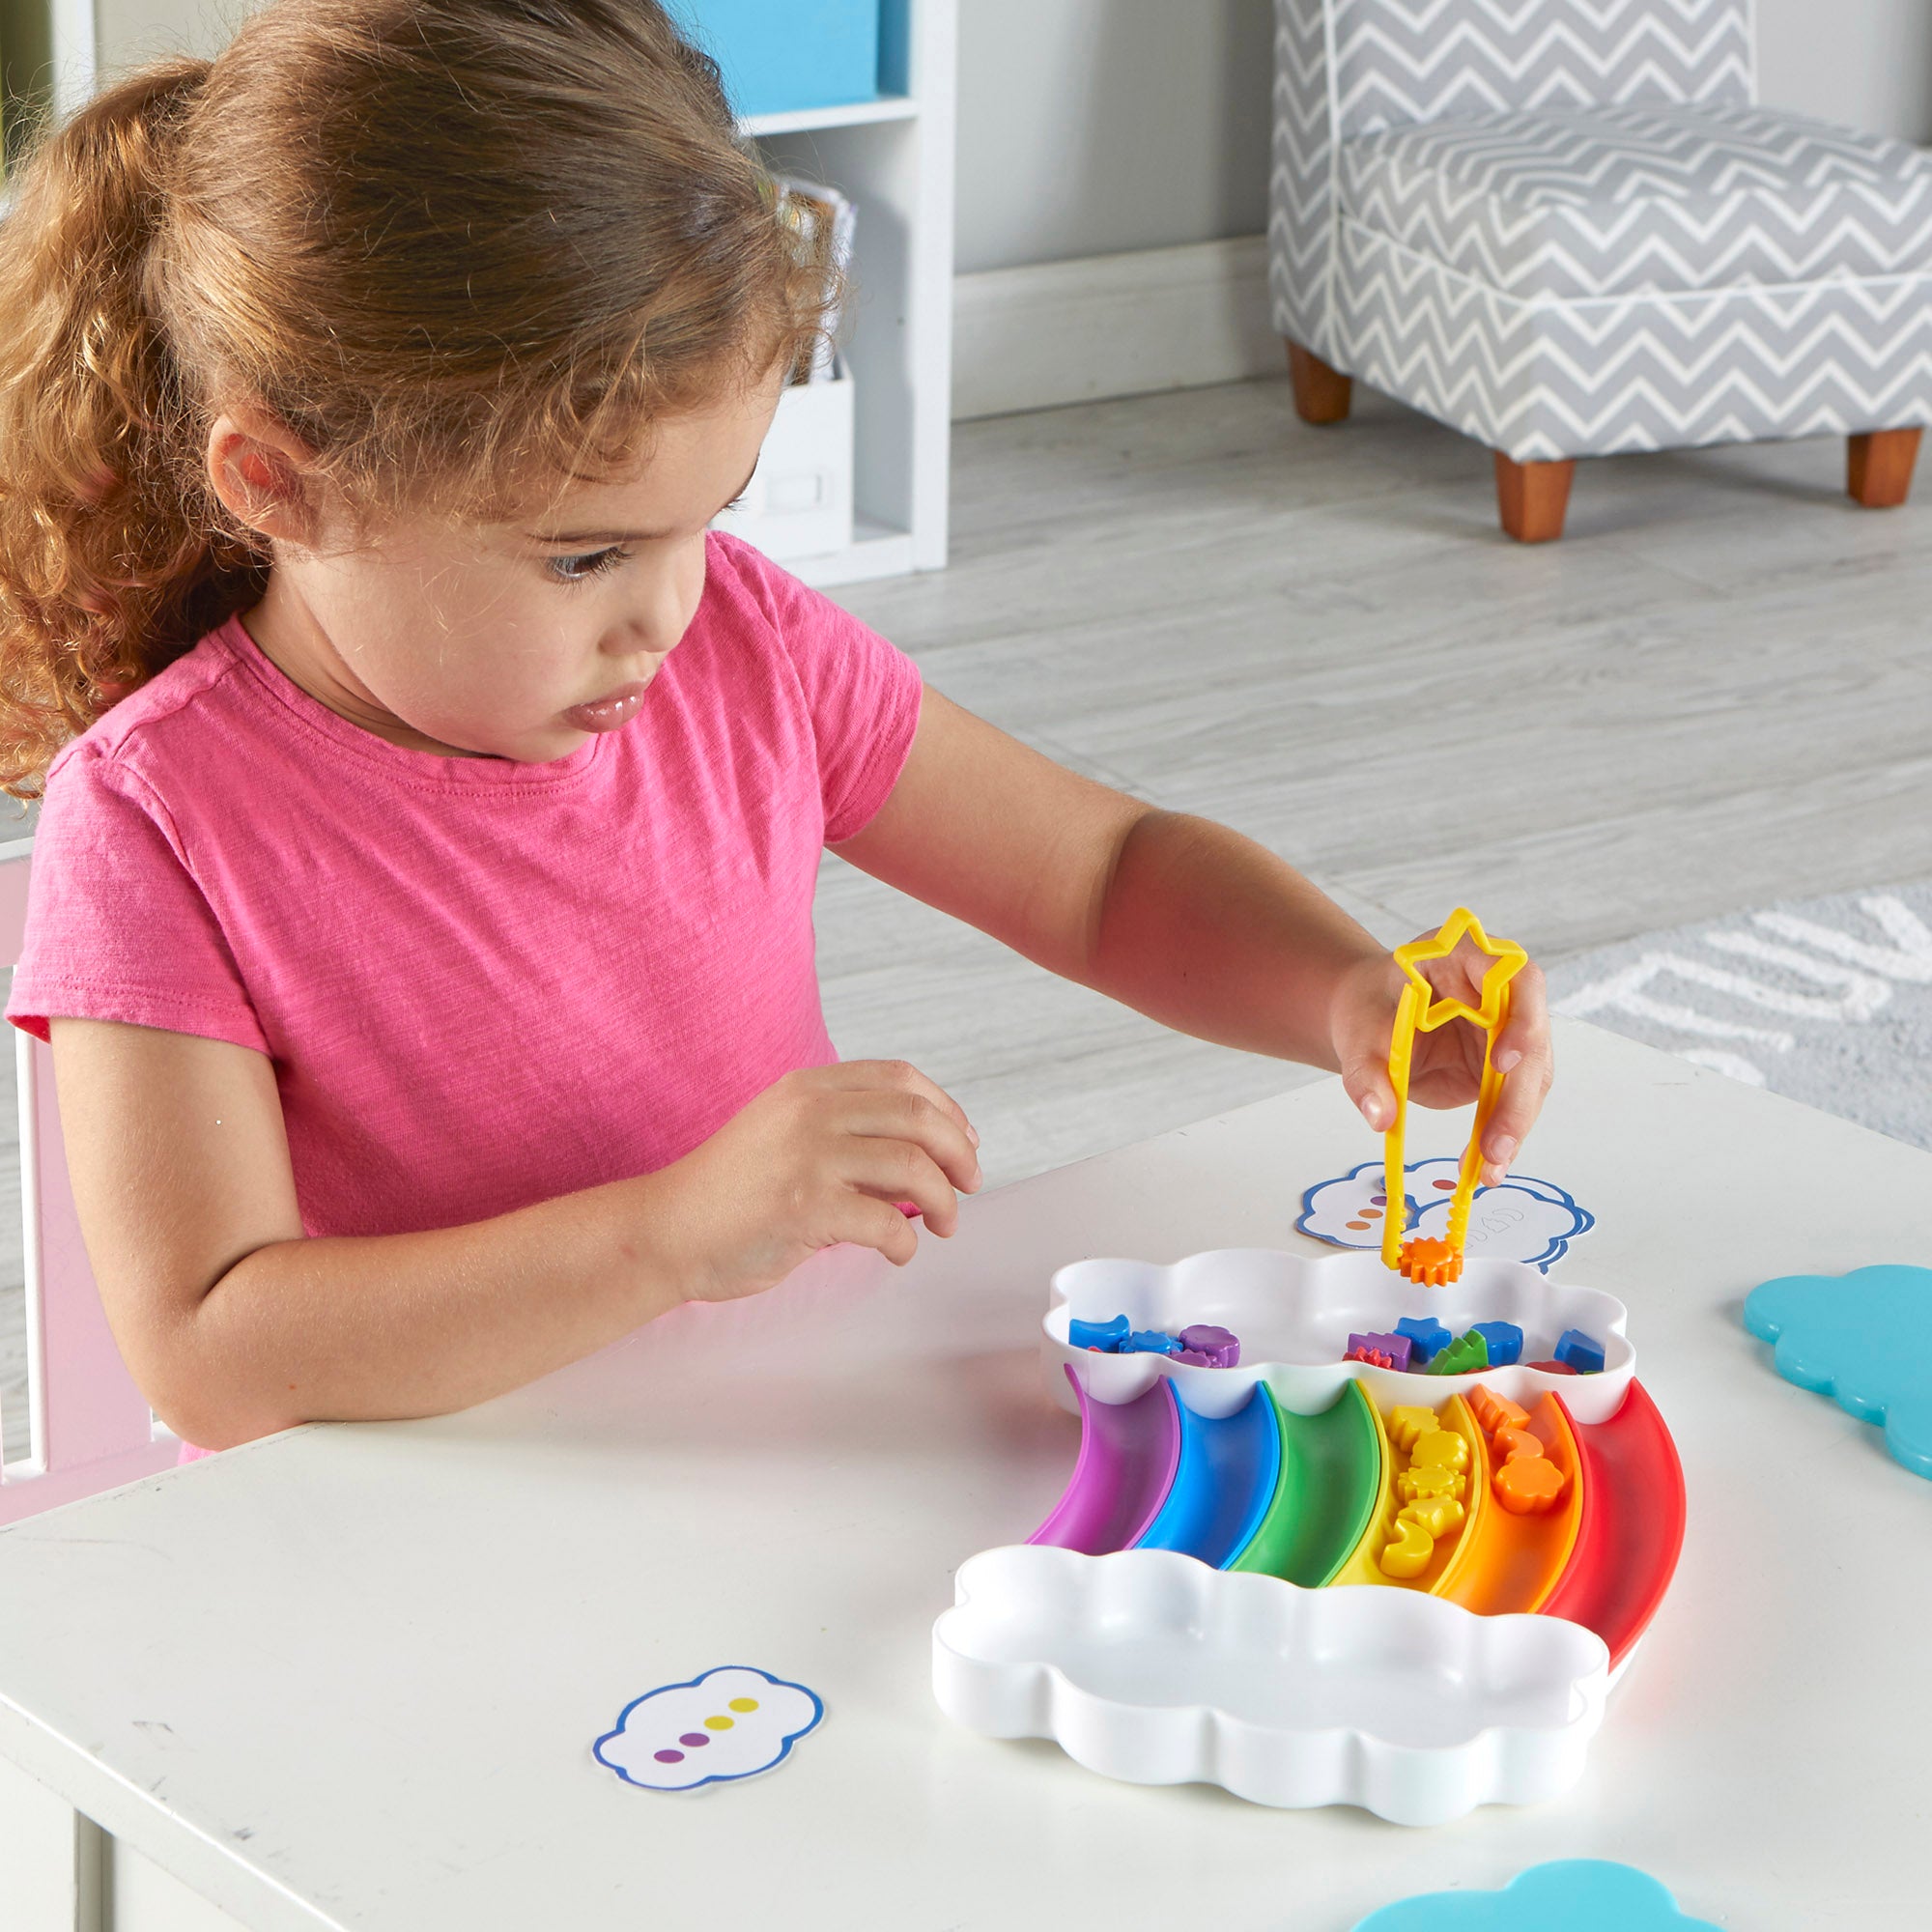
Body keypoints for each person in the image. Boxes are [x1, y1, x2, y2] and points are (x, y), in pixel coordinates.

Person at [0, 0, 1551, 1455]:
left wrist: (1346, 988)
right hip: (466, 1515)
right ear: (283, 482)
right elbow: (210, 1347)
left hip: (791, 1439)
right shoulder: (154, 820)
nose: (668, 612)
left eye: (711, 517)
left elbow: (1099, 873)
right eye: (584, 554)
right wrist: (667, 1233)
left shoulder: (736, 640)